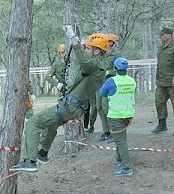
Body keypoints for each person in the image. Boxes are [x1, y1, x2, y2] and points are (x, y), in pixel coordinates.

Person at [9, 27, 114, 172]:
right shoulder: (99, 66)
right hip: (73, 106)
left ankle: (30, 161)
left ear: (97, 51)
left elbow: (85, 63)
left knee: (33, 122)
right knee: (51, 124)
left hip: (70, 107)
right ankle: (43, 153)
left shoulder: (94, 65)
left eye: (88, 48)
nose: (85, 51)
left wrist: (74, 40)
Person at [99, 57, 136, 176]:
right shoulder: (131, 80)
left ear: (115, 68)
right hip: (128, 115)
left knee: (120, 141)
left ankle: (127, 168)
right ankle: (119, 158)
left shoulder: (111, 81)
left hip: (116, 115)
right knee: (121, 137)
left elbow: (102, 93)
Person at [151, 27, 174, 136]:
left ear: (169, 35)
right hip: (162, 81)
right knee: (159, 102)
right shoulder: (161, 48)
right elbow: (159, 64)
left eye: (162, 35)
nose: (161, 37)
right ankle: (162, 124)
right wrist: (157, 77)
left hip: (173, 81)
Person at [96, 33, 120, 141]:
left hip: (109, 83)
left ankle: (113, 131)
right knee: (99, 108)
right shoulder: (102, 53)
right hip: (98, 83)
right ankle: (106, 131)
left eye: (108, 41)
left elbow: (120, 69)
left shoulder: (116, 55)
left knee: (106, 108)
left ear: (112, 42)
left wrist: (109, 72)